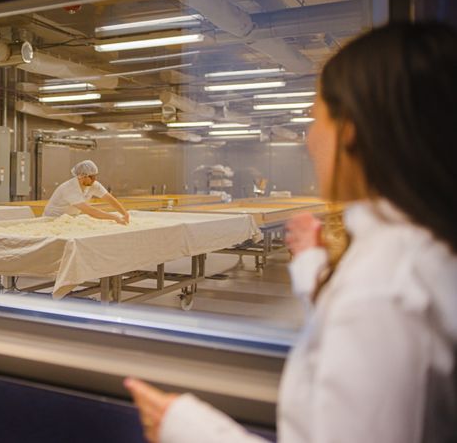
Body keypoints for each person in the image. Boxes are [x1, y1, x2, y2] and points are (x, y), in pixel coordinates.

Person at [125, 22, 457, 442]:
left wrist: (186, 428)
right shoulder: (422, 249)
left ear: (350, 129)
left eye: (315, 119)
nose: (309, 140)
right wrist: (314, 267)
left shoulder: (383, 288)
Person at [43, 160, 129, 224]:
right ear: (81, 176)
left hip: (70, 219)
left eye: (95, 176)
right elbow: (90, 211)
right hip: (52, 220)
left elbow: (110, 199)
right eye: (91, 177)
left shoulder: (93, 184)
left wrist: (125, 213)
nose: (94, 179)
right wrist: (115, 217)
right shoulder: (70, 188)